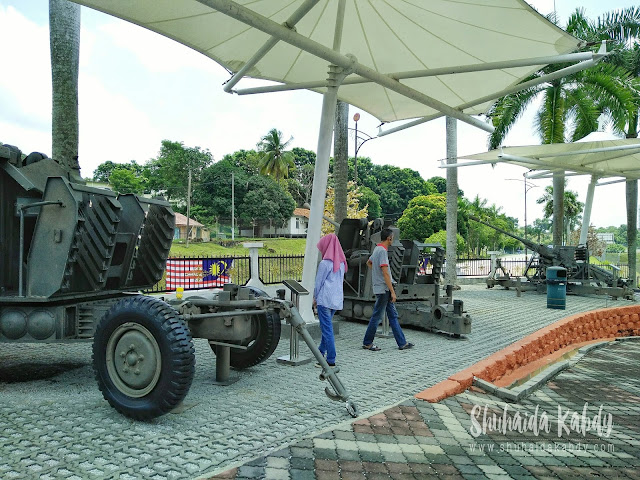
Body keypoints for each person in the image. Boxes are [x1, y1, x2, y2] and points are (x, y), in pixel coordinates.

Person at [362, 228, 414, 351]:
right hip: (384, 289)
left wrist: (376, 274)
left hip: (380, 287)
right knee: (377, 316)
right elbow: (385, 272)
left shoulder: (377, 249)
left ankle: (402, 343)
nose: (393, 240)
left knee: (392, 316)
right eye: (393, 237)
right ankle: (367, 342)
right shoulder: (383, 252)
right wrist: (392, 291)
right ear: (389, 238)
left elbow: (369, 263)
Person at [313, 233, 347, 367]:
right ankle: (321, 352)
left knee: (327, 329)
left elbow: (318, 283)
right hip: (336, 300)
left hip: (324, 299)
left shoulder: (325, 263)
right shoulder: (342, 263)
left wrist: (315, 298)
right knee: (327, 328)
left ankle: (330, 359)